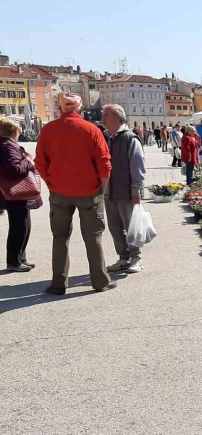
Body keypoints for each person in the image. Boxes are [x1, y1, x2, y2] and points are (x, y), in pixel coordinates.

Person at [34, 92, 115, 294]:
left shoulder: (48, 130)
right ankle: (100, 281)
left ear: (61, 108)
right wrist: (101, 187)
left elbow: (40, 163)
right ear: (80, 108)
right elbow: (105, 163)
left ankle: (58, 283)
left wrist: (51, 183)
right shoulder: (92, 129)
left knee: (59, 238)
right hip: (89, 191)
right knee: (93, 237)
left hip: (59, 192)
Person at [102, 104, 146, 274]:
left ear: (117, 117)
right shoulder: (105, 137)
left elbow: (138, 165)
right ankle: (123, 258)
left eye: (107, 114)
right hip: (109, 191)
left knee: (131, 226)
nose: (103, 117)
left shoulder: (130, 138)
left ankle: (137, 258)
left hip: (126, 192)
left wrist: (136, 190)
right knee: (115, 227)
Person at [0, 117, 42, 272]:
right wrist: (29, 161)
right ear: (13, 131)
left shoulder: (4, 144)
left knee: (22, 225)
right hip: (15, 191)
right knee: (19, 226)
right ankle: (14, 261)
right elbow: (14, 169)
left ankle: (19, 258)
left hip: (11, 192)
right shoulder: (8, 146)